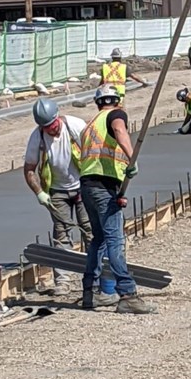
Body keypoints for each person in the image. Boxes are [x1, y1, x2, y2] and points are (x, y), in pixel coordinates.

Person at [77, 84, 156, 315]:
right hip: (103, 185)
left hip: (89, 186)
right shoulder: (116, 114)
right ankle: (128, 295)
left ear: (97, 102)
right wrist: (132, 160)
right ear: (117, 100)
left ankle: (89, 294)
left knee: (98, 239)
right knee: (114, 240)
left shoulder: (90, 126)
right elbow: (120, 131)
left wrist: (119, 191)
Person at [23, 99, 92, 297]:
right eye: (45, 127)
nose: (50, 130)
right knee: (62, 235)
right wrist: (39, 193)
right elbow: (29, 170)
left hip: (82, 186)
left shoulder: (75, 126)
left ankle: (93, 276)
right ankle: (63, 281)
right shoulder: (38, 138)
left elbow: (94, 152)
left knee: (89, 230)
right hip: (57, 192)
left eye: (52, 125)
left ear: (58, 117)